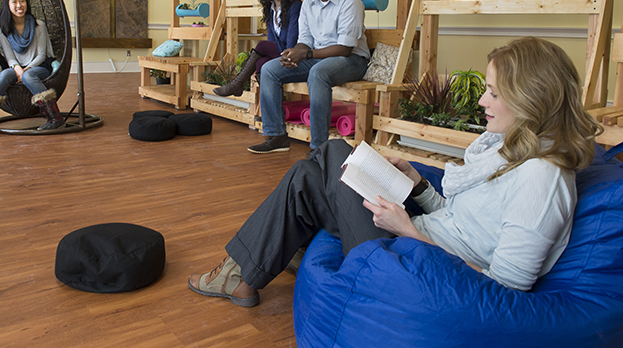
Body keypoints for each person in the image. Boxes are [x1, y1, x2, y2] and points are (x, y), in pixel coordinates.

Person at [188, 37, 602, 307]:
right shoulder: (513, 151)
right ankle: (244, 274)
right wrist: (418, 185)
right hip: (422, 240)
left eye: (494, 93)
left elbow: (506, 290)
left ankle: (244, 269)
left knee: (332, 152)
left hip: (420, 268)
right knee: (309, 176)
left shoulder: (541, 180)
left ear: (530, 99)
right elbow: (458, 220)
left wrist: (409, 231)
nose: (481, 102)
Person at [248, 0, 369, 154]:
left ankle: (318, 148)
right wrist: (295, 52)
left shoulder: (350, 2)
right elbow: (305, 39)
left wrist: (306, 53)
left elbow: (345, 48)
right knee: (270, 69)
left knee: (318, 73)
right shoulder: (308, 4)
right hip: (317, 58)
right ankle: (276, 135)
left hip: (351, 61)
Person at [0, 0, 63, 136]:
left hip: (39, 66)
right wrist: (17, 69)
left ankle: (55, 118)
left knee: (28, 76)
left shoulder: (39, 25)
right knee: (3, 75)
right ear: (8, 6)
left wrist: (25, 71)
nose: (19, 5)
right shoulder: (4, 30)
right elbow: (10, 57)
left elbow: (42, 55)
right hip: (16, 67)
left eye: (22, 1)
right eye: (14, 2)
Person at [214, 0, 301, 97]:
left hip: (294, 53)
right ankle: (273, 107)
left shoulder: (295, 6)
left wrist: (287, 55)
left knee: (261, 46)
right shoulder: (270, 9)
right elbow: (272, 40)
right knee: (261, 63)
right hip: (280, 51)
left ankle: (237, 84)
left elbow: (293, 39)